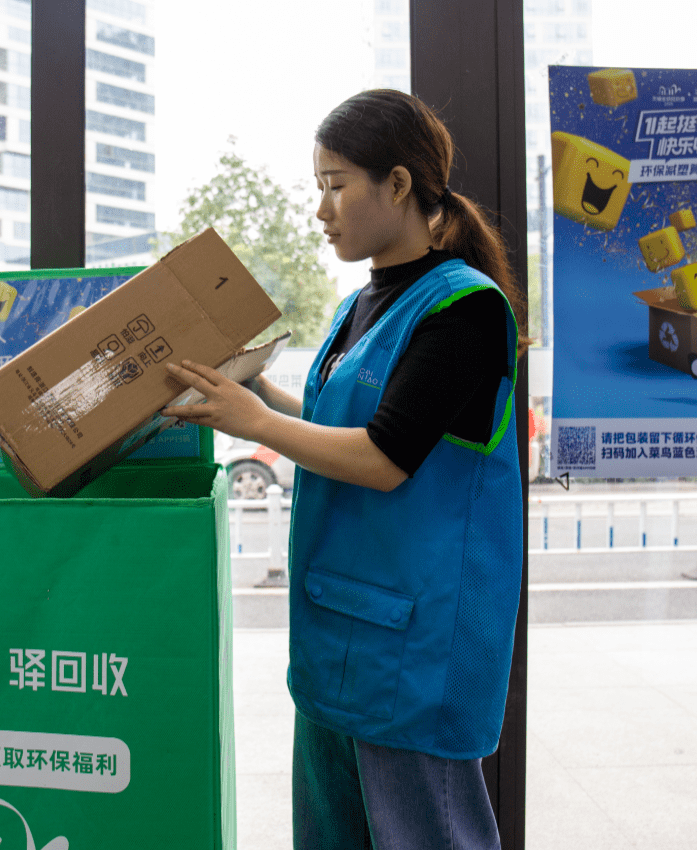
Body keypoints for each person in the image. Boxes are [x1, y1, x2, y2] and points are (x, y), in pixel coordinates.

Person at [164, 89, 524, 850]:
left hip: (412, 645)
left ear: (398, 184)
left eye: (336, 185)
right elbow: (338, 424)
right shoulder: (356, 308)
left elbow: (388, 457)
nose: (321, 208)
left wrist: (256, 422)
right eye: (317, 187)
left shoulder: (464, 309)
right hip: (341, 631)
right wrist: (254, 387)